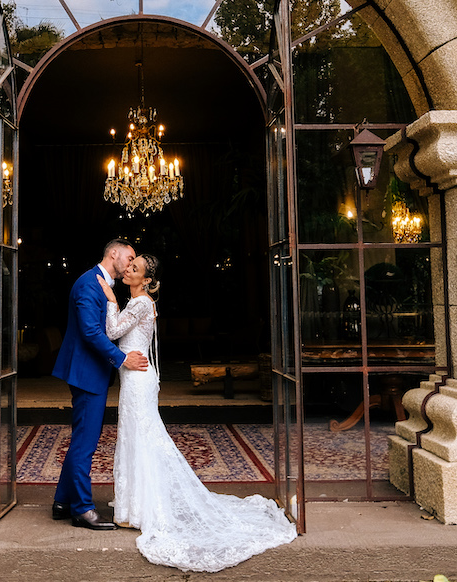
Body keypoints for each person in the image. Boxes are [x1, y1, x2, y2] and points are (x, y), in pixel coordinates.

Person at [100, 253, 297, 572]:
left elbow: (112, 332)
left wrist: (110, 300)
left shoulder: (139, 304)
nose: (127, 269)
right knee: (138, 438)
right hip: (136, 377)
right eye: (129, 265)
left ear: (147, 280)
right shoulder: (142, 302)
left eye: (134, 269)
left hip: (137, 380)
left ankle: (139, 510)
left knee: (140, 438)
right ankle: (134, 508)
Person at [51, 239, 150, 530]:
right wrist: (122, 359)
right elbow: (91, 333)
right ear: (113, 254)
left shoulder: (102, 286)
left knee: (81, 438)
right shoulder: (87, 284)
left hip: (90, 372)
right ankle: (82, 509)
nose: (131, 264)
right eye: (129, 257)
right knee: (86, 444)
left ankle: (62, 501)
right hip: (86, 374)